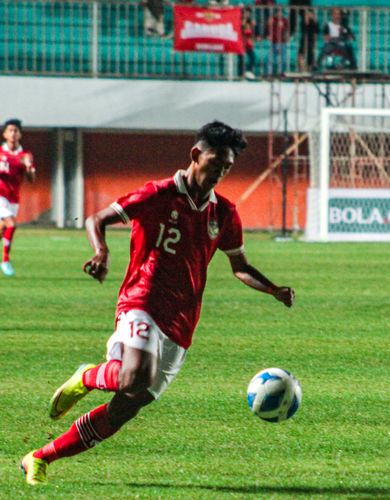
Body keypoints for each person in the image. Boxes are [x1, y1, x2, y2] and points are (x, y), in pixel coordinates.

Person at [20, 121, 295, 485]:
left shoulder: (224, 214)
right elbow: (96, 219)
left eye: (227, 167)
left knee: (126, 406)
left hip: (181, 322)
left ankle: (40, 457)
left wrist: (273, 289)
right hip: (142, 298)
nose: (221, 172)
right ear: (196, 155)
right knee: (134, 375)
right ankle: (87, 376)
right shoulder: (158, 194)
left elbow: (239, 267)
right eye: (216, 162)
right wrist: (101, 252)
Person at [0, 118, 36, 277]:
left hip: (13, 198)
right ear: (4, 134)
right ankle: (5, 260)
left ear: (20, 134)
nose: (13, 133)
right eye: (10, 130)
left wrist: (29, 168)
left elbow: (32, 179)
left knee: (2, 229)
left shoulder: (25, 155)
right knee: (11, 224)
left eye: (16, 131)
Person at [267, 8, 289, 75]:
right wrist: (269, 24)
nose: (279, 14)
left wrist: (283, 27)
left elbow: (287, 31)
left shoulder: (285, 20)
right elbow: (267, 30)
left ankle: (280, 73)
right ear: (275, 13)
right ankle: (269, 74)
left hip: (282, 42)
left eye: (280, 12)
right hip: (273, 42)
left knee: (282, 59)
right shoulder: (271, 19)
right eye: (278, 12)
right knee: (270, 58)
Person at [241, 11, 257, 79]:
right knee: (241, 60)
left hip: (248, 43)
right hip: (241, 43)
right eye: (245, 13)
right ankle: (241, 75)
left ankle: (248, 71)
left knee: (253, 58)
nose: (247, 14)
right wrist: (243, 23)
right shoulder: (240, 20)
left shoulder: (251, 22)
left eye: (248, 13)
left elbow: (252, 33)